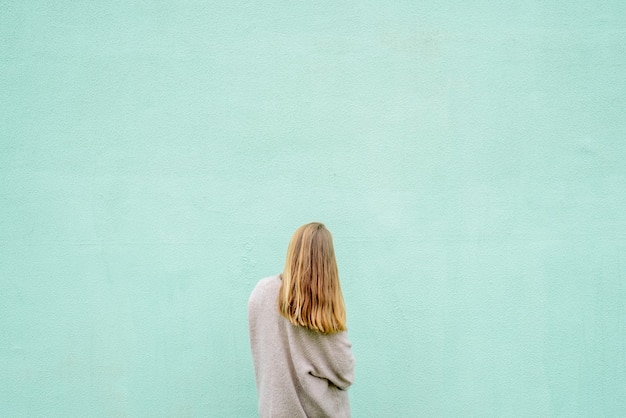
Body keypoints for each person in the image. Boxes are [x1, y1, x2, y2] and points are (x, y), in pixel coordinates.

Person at [248, 222, 355, 418]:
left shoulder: (261, 292)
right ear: (328, 265)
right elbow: (345, 373)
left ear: (293, 253)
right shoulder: (324, 314)